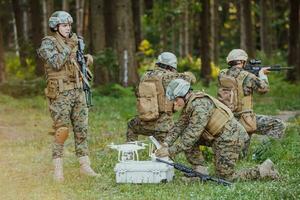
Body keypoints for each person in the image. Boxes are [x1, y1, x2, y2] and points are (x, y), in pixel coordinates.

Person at [155, 79, 279, 181]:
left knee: (225, 178)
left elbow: (192, 136)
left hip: (230, 139)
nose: (175, 103)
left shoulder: (200, 106)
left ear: (184, 94)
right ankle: (200, 171)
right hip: (217, 137)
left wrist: (170, 151)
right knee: (185, 134)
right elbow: (179, 126)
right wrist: (165, 143)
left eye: (176, 99)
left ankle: (263, 171)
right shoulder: (191, 102)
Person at [37, 11, 97, 182]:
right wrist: (70, 46)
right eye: (64, 25)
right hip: (61, 94)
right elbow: (55, 63)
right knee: (61, 131)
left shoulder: (74, 42)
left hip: (78, 91)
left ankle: (85, 165)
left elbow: (74, 64)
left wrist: (84, 60)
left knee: (82, 130)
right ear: (56, 27)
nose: (68, 28)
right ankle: (58, 170)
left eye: (69, 25)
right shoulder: (48, 43)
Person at [217, 49, 285, 156]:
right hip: (245, 121)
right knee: (278, 124)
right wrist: (262, 75)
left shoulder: (222, 74)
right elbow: (264, 89)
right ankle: (263, 154)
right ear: (242, 61)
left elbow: (237, 81)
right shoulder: (248, 76)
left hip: (227, 120)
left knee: (241, 156)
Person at [126, 52, 196, 143]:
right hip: (163, 127)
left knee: (131, 126)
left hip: (144, 122)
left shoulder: (145, 75)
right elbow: (192, 79)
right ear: (172, 66)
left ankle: (130, 152)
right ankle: (158, 154)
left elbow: (137, 93)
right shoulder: (172, 77)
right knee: (162, 152)